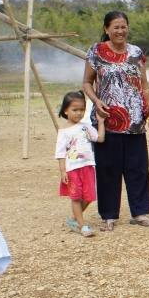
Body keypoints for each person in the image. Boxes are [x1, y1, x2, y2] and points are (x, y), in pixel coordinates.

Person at [81, 11, 149, 232]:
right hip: (106, 120)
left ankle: (140, 212)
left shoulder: (136, 52)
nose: (120, 31)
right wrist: (96, 102)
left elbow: (144, 87)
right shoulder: (96, 51)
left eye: (123, 27)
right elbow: (87, 82)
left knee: (138, 168)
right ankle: (109, 215)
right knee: (107, 169)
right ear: (106, 29)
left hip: (135, 121)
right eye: (116, 27)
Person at [55, 91, 106, 238]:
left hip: (88, 166)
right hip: (72, 169)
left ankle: (74, 219)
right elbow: (60, 153)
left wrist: (101, 122)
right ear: (65, 110)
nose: (78, 113)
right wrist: (63, 171)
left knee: (89, 197)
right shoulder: (63, 131)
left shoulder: (86, 127)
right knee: (76, 197)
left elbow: (100, 138)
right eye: (74, 110)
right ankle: (82, 225)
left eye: (82, 110)